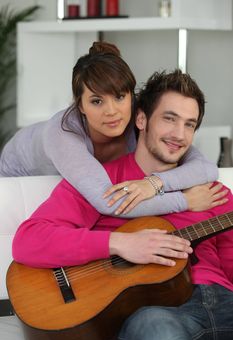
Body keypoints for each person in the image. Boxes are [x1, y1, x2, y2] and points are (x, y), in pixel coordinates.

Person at [12, 69, 232, 340]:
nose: (179, 134)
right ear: (141, 119)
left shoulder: (211, 193)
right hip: (154, 312)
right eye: (169, 119)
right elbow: (28, 240)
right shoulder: (101, 183)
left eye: (189, 124)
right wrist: (120, 243)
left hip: (223, 300)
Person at [0, 42, 218, 218]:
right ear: (80, 105)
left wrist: (154, 183)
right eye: (97, 101)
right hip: (20, 176)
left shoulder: (138, 116)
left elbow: (206, 168)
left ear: (131, 96)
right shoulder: (63, 132)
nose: (112, 111)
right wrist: (185, 201)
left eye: (120, 97)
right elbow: (109, 203)